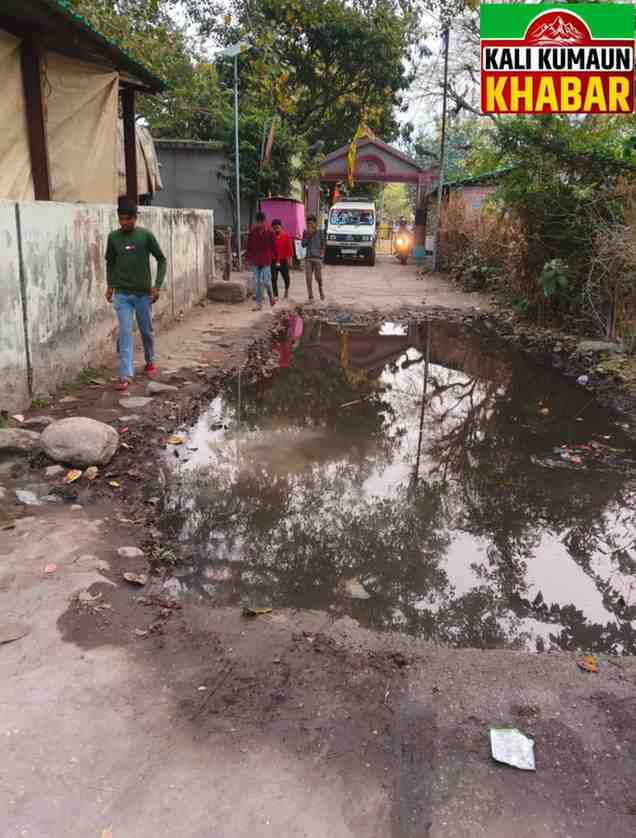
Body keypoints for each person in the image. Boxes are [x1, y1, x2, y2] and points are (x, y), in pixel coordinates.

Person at [106, 199, 166, 392]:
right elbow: (110, 263)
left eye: (128, 219)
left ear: (135, 218)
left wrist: (157, 286)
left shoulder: (145, 236)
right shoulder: (113, 238)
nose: (124, 223)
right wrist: (110, 286)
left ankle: (150, 360)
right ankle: (125, 375)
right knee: (125, 333)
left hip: (142, 295)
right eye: (121, 219)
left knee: (146, 331)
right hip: (122, 295)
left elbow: (161, 259)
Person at [246, 211, 276, 311]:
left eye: (261, 222)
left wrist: (276, 259)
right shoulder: (252, 232)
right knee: (258, 282)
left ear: (264, 221)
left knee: (266, 281)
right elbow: (249, 247)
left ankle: (271, 296)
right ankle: (259, 304)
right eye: (258, 222)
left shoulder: (270, 232)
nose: (259, 224)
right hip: (255, 260)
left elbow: (274, 246)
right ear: (256, 222)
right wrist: (248, 259)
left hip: (266, 260)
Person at [301, 214, 325, 302]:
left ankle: (320, 288)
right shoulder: (305, 232)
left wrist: (322, 257)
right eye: (308, 223)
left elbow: (323, 244)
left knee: (318, 278)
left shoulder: (320, 232)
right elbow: (303, 245)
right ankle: (310, 296)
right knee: (308, 278)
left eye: (311, 223)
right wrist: (308, 236)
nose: (310, 225)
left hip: (317, 258)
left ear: (315, 223)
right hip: (308, 258)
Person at [271, 218, 294, 300]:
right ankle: (276, 295)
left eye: (277, 227)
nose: (276, 229)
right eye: (274, 228)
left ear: (281, 227)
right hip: (273, 260)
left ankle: (286, 290)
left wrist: (290, 260)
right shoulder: (271, 237)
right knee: (273, 278)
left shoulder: (286, 236)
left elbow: (290, 249)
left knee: (286, 277)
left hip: (283, 260)